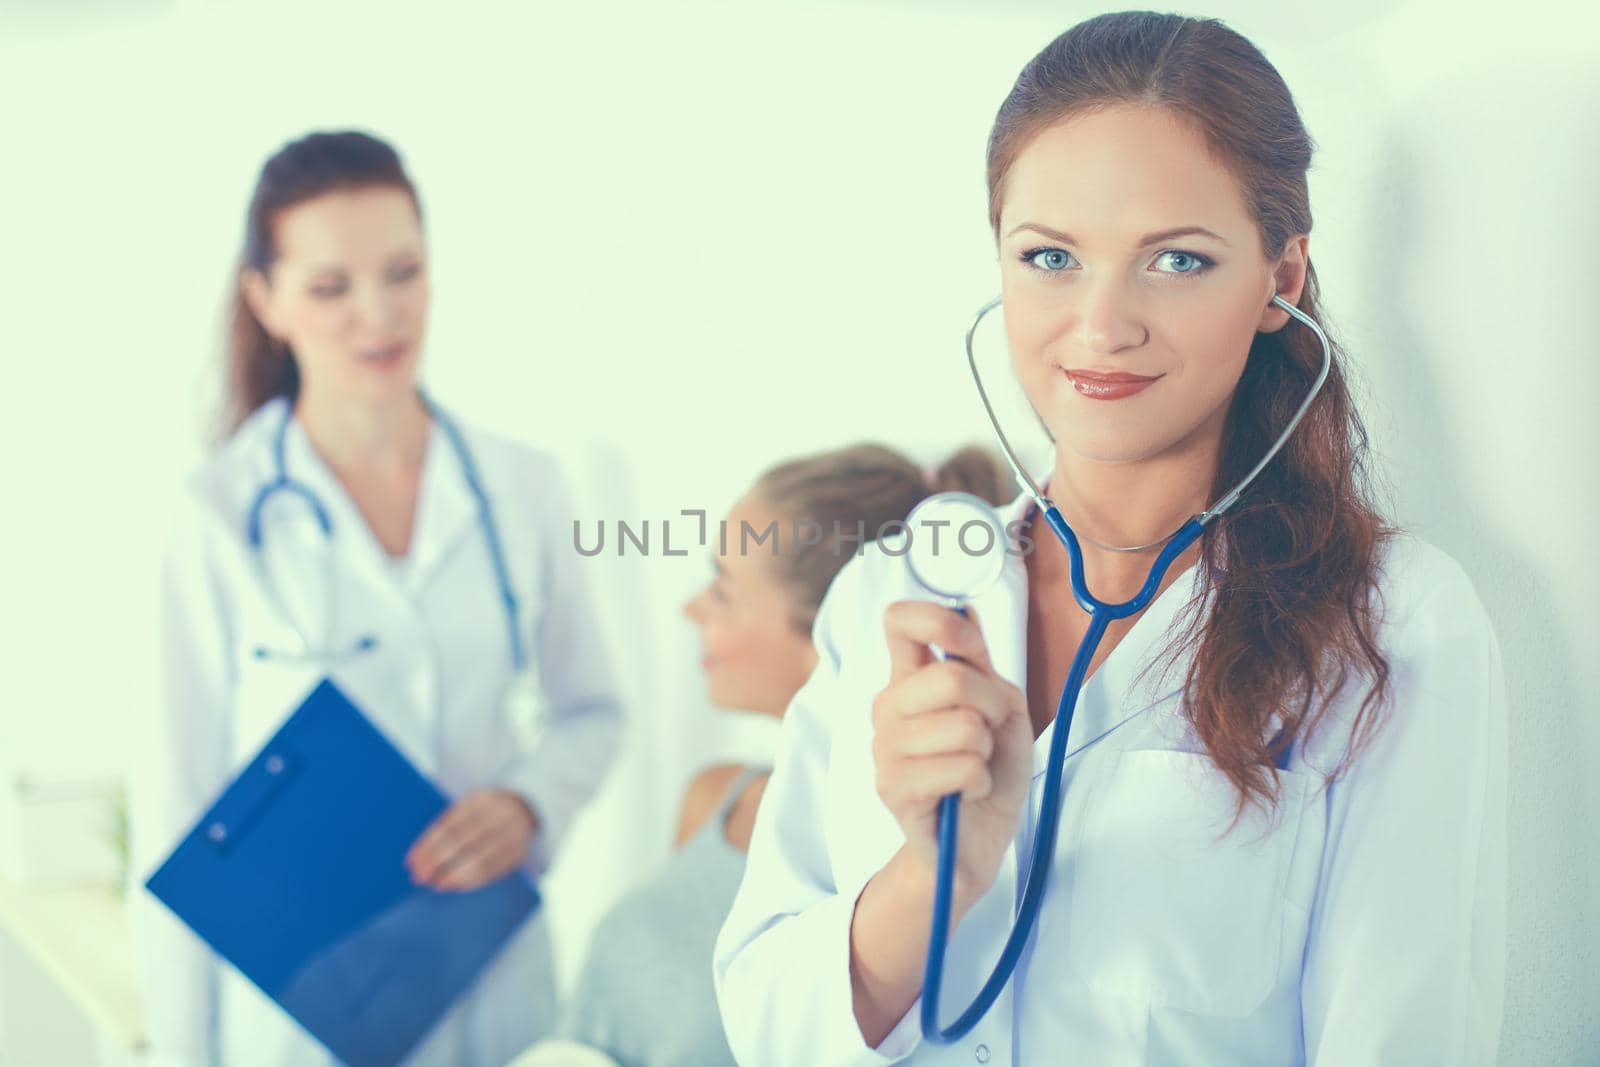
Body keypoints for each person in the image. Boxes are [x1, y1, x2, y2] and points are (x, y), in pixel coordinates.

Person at [713, 12, 1507, 1067]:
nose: (1100, 324)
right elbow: (766, 1022)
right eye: (1048, 256)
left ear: (1280, 278)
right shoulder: (894, 592)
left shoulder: (1393, 622)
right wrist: (932, 875)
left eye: (1175, 259)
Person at [127, 130, 622, 1066]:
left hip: (494, 983)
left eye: (403, 272)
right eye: (330, 287)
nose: (379, 314)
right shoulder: (217, 517)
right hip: (300, 1012)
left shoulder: (523, 489)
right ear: (265, 301)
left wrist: (528, 803)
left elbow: (592, 711)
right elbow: (177, 814)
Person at [532, 444, 1009, 1067]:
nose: (691, 608)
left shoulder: (906, 866)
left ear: (829, 631)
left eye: (723, 591)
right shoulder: (716, 800)